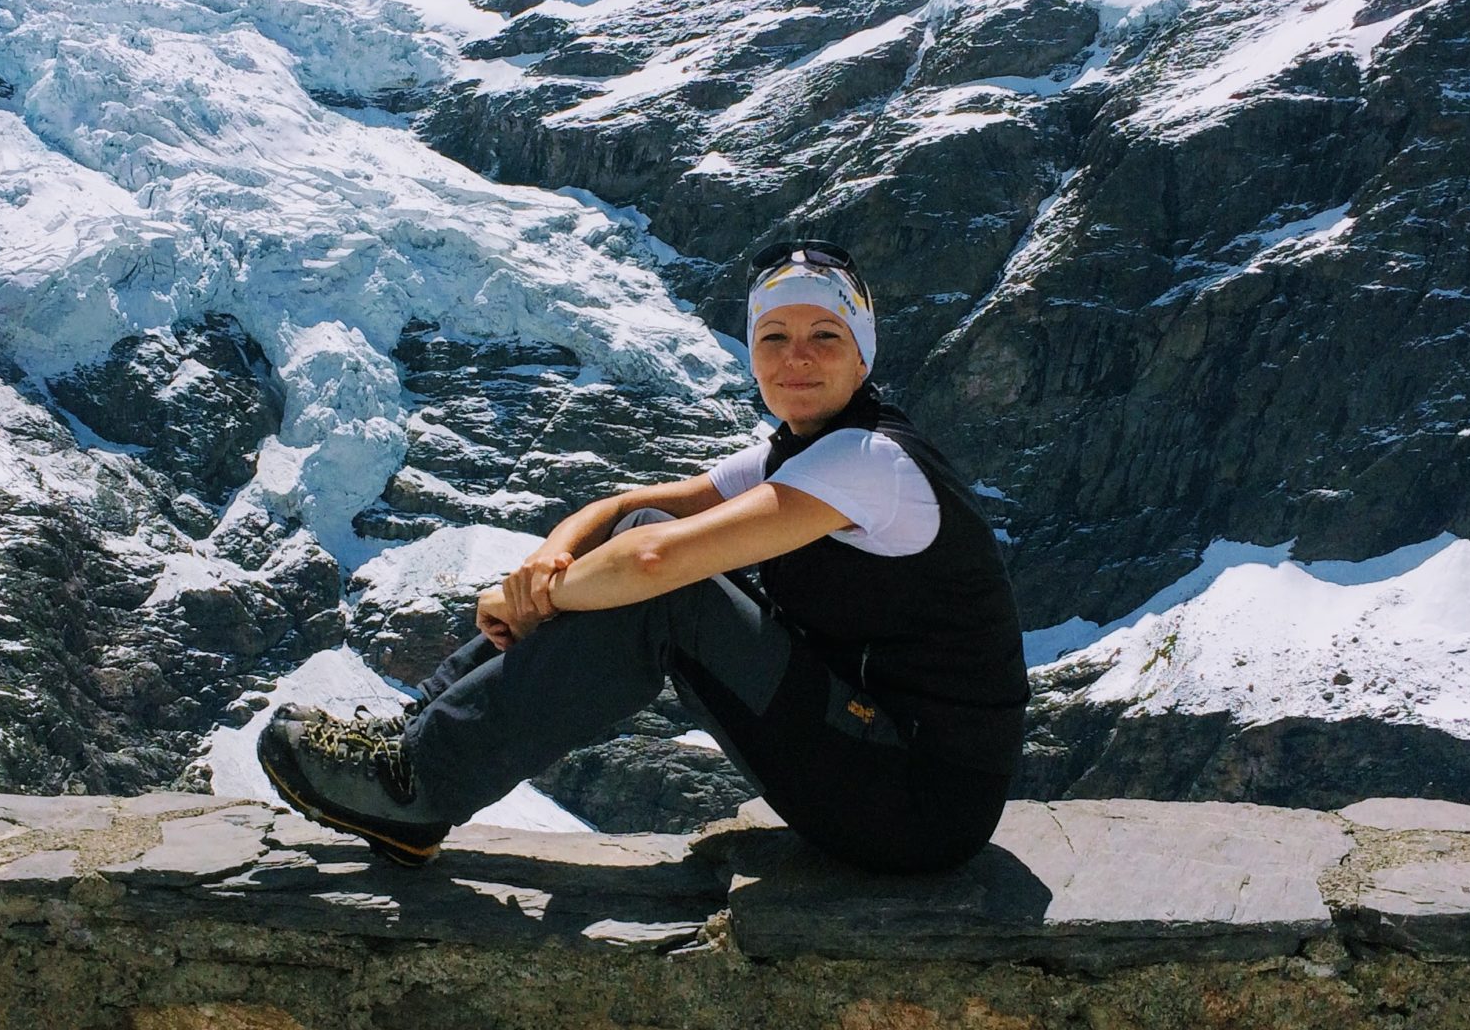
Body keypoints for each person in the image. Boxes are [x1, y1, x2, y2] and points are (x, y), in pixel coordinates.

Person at [259, 240, 1030, 874]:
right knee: (650, 528)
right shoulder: (801, 453)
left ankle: (419, 783)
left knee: (667, 592)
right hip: (872, 755)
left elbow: (655, 564)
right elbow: (628, 510)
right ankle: (411, 739)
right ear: (755, 357)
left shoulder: (868, 462)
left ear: (862, 356)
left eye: (824, 336)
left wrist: (543, 602)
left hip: (917, 806)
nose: (797, 357)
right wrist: (537, 573)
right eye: (775, 338)